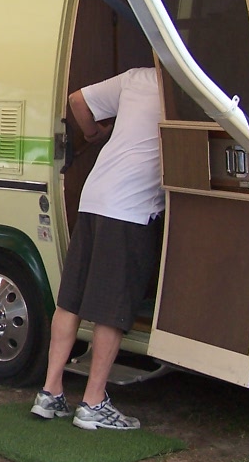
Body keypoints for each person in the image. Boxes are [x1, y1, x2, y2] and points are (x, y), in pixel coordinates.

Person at [31, 66, 164, 431]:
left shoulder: (137, 78)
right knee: (111, 308)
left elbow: (78, 100)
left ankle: (50, 392)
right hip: (130, 208)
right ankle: (93, 403)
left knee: (71, 299)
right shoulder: (185, 86)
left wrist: (95, 134)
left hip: (94, 196)